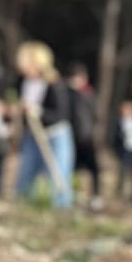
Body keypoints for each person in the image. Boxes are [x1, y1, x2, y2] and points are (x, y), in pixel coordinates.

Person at [13, 41, 75, 208]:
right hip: (32, 134)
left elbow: (61, 114)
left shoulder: (54, 84)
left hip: (55, 134)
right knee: (26, 171)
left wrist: (37, 111)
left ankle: (61, 208)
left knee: (58, 173)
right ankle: (23, 204)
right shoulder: (22, 82)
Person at [67, 63, 102, 207]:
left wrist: (93, 133)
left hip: (86, 137)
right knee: (73, 168)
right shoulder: (70, 94)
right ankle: (75, 193)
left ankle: (96, 196)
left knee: (93, 168)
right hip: (72, 137)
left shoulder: (89, 94)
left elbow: (94, 116)